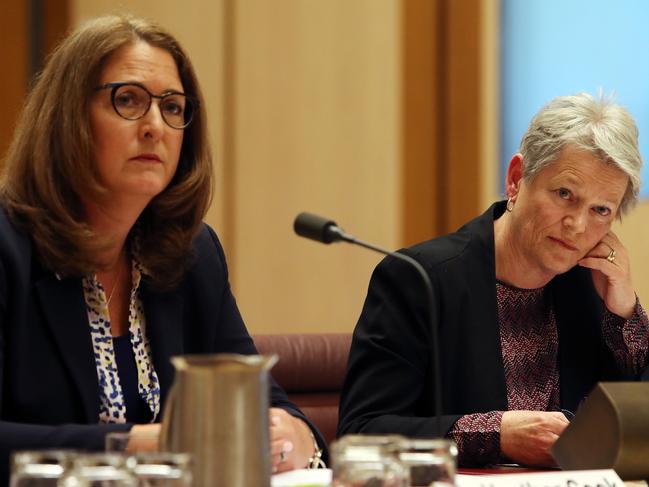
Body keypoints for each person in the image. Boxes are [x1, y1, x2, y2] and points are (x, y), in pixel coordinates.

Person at [0, 14, 324, 482]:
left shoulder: (190, 253)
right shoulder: (10, 248)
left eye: (172, 107)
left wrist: (293, 434)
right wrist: (136, 445)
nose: (155, 125)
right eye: (128, 100)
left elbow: (264, 402)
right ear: (67, 115)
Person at [337, 93, 649, 467]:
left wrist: (625, 313)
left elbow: (636, 427)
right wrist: (496, 435)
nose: (577, 226)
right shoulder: (420, 279)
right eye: (565, 194)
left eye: (601, 210)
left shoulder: (590, 284)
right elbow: (362, 431)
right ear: (516, 180)